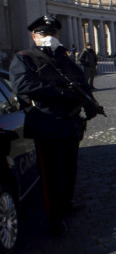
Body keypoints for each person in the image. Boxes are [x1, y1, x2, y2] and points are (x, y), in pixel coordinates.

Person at [9, 15, 102, 237]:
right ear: (34, 36)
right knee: (51, 174)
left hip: (70, 122)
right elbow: (23, 84)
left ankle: (67, 202)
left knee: (69, 169)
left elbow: (80, 82)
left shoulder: (64, 58)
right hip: (46, 123)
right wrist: (61, 92)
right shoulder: (25, 58)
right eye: (44, 34)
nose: (49, 37)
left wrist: (89, 103)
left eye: (52, 34)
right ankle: (54, 217)